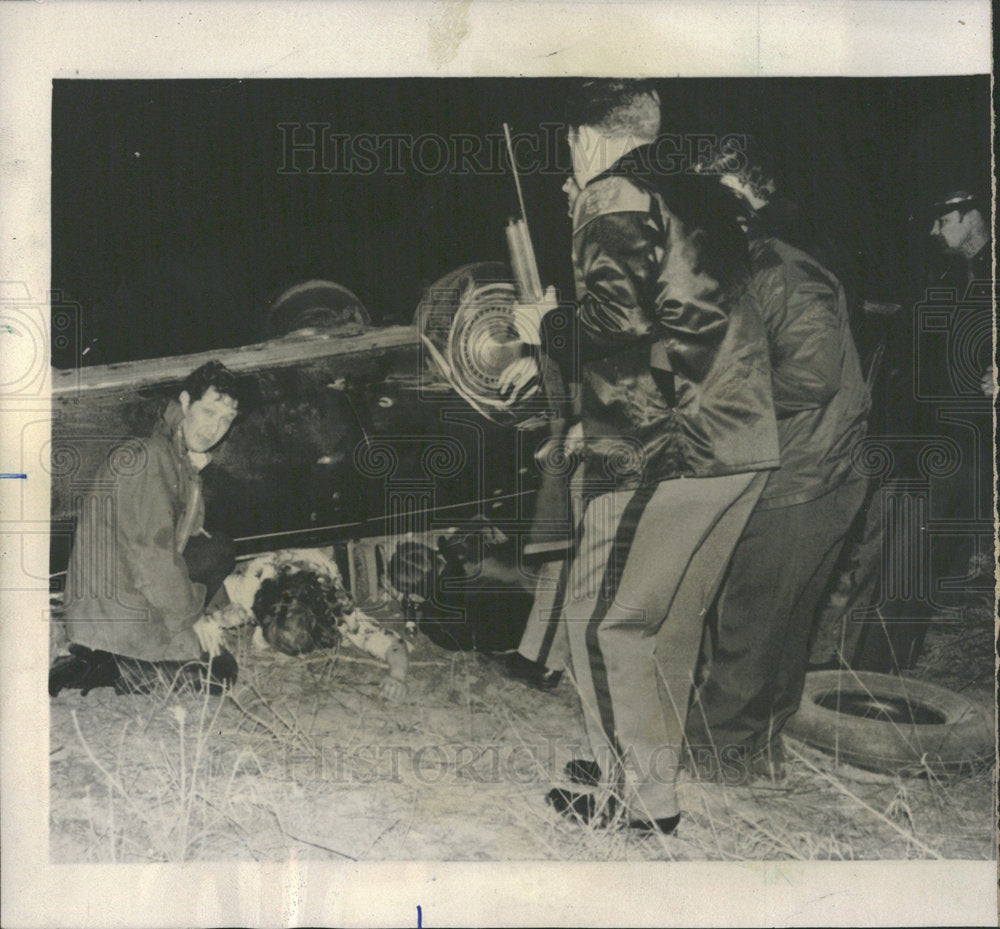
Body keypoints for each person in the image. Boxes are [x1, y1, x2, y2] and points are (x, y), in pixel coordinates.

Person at [499, 80, 779, 833]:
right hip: (743, 441)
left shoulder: (611, 191)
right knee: (670, 623)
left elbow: (615, 319)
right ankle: (646, 775)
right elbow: (677, 318)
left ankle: (639, 798)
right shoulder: (699, 197)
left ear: (585, 140)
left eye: (569, 149)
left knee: (600, 622)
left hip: (667, 446)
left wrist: (547, 325)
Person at [683, 160, 872, 781]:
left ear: (741, 205)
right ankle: (756, 753)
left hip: (803, 477)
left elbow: (812, 376)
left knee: (752, 626)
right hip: (805, 472)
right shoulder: (751, 270)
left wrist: (710, 394)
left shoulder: (783, 271)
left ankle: (714, 762)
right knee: (784, 628)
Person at [50, 360, 244, 696]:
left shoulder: (173, 455)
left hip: (129, 591)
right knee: (220, 674)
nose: (215, 428)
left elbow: (189, 541)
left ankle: (110, 659)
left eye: (226, 420)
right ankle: (108, 666)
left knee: (218, 550)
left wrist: (217, 609)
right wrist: (191, 619)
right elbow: (151, 556)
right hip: (115, 606)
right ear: (185, 402)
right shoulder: (148, 457)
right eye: (209, 412)